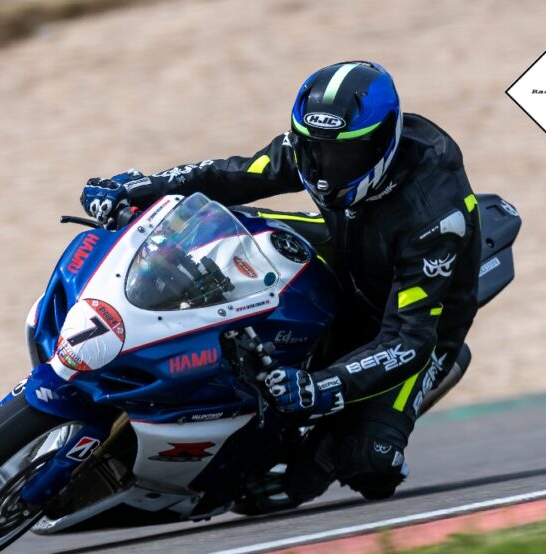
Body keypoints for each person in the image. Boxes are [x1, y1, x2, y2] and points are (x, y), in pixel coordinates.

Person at [80, 61, 481, 503]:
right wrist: (142, 188)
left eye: (344, 155)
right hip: (347, 248)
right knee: (216, 239)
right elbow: (235, 174)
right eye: (315, 150)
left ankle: (322, 458)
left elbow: (409, 338)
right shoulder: (315, 148)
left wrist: (323, 386)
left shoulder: (434, 217)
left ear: (382, 142)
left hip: (418, 322)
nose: (326, 167)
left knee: (367, 463)